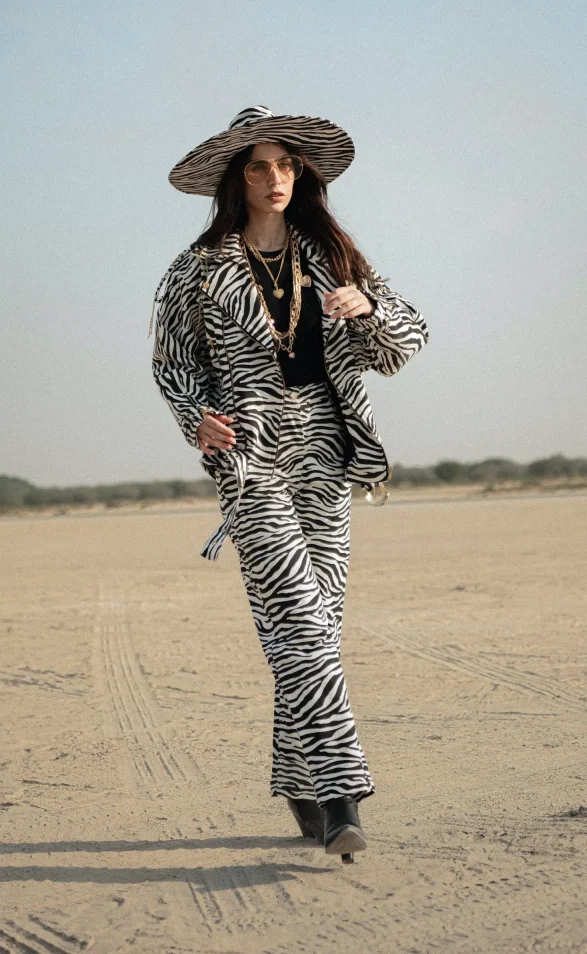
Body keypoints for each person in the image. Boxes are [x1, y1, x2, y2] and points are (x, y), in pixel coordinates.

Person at [149, 105, 429, 863]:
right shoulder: (195, 268)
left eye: (285, 165)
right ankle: (341, 797)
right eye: (258, 167)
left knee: (313, 626)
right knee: (301, 623)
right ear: (234, 179)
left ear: (300, 174)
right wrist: (196, 419)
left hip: (329, 450)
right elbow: (172, 363)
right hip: (251, 456)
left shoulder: (334, 256)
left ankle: (300, 783)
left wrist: (369, 308)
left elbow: (404, 343)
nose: (275, 178)